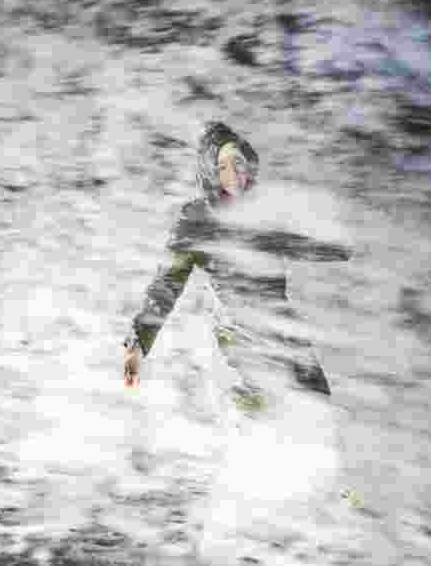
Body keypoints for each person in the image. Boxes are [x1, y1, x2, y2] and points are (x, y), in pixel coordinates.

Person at [122, 121, 353, 562]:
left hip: (284, 327)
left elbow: (300, 242)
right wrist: (138, 342)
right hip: (241, 337)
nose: (234, 174)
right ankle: (231, 535)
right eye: (224, 165)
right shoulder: (197, 220)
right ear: (209, 171)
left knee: (320, 411)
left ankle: (321, 517)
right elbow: (167, 284)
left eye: (240, 163)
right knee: (266, 423)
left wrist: (337, 247)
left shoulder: (264, 213)